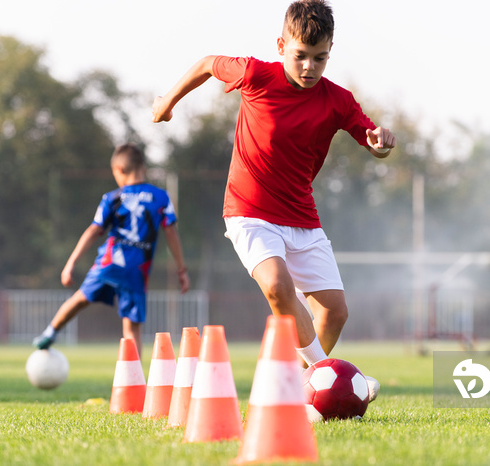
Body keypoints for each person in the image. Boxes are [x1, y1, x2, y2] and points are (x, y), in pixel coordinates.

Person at [152, 0, 394, 400]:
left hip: (302, 218)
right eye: (300, 56)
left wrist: (380, 141)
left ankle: (291, 390)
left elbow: (371, 141)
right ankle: (327, 377)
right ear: (281, 45)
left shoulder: (337, 100)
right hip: (248, 213)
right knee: (278, 286)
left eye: (320, 58)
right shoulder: (255, 74)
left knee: (335, 313)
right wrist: (166, 102)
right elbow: (208, 63)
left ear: (329, 53)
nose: (309, 67)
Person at [33, 143, 190, 357]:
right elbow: (171, 233)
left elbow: (94, 231)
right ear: (143, 167)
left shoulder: (113, 198)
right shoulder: (160, 197)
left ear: (119, 171)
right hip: (137, 269)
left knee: (80, 299)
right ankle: (134, 380)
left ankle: (50, 332)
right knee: (131, 326)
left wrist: (70, 264)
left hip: (110, 263)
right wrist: (181, 270)